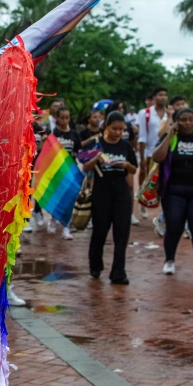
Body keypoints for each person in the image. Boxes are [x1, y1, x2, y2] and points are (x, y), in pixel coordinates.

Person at [83, 111, 137, 285]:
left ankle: (118, 272)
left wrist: (127, 165)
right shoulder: (96, 144)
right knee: (100, 231)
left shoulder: (126, 146)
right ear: (106, 127)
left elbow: (134, 169)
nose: (118, 133)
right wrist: (96, 159)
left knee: (122, 233)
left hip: (121, 193)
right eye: (114, 129)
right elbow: (85, 167)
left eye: (121, 130)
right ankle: (95, 265)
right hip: (102, 193)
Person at [153, 107, 193, 275]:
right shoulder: (171, 138)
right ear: (177, 122)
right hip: (174, 191)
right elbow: (157, 157)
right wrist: (170, 134)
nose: (188, 123)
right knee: (174, 225)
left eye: (191, 119)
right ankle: (169, 259)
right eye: (183, 120)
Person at [153, 96, 188, 238]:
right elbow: (161, 134)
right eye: (178, 104)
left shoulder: (190, 120)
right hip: (170, 167)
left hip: (189, 170)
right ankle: (162, 219)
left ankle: (186, 226)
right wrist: (170, 118)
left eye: (183, 103)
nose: (181, 106)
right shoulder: (169, 120)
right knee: (175, 203)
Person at [44, 105, 80, 239]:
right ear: (57, 118)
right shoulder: (53, 134)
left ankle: (66, 227)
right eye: (62, 118)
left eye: (67, 118)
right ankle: (53, 219)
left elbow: (77, 152)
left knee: (69, 199)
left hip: (70, 172)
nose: (65, 121)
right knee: (57, 197)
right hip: (56, 171)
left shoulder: (74, 134)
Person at [137, 87, 168, 218]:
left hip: (166, 152)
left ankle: (162, 213)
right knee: (150, 181)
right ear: (154, 97)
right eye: (160, 95)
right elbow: (142, 135)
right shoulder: (145, 113)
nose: (163, 98)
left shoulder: (169, 114)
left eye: (165, 95)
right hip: (151, 152)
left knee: (164, 182)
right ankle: (142, 201)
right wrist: (143, 156)